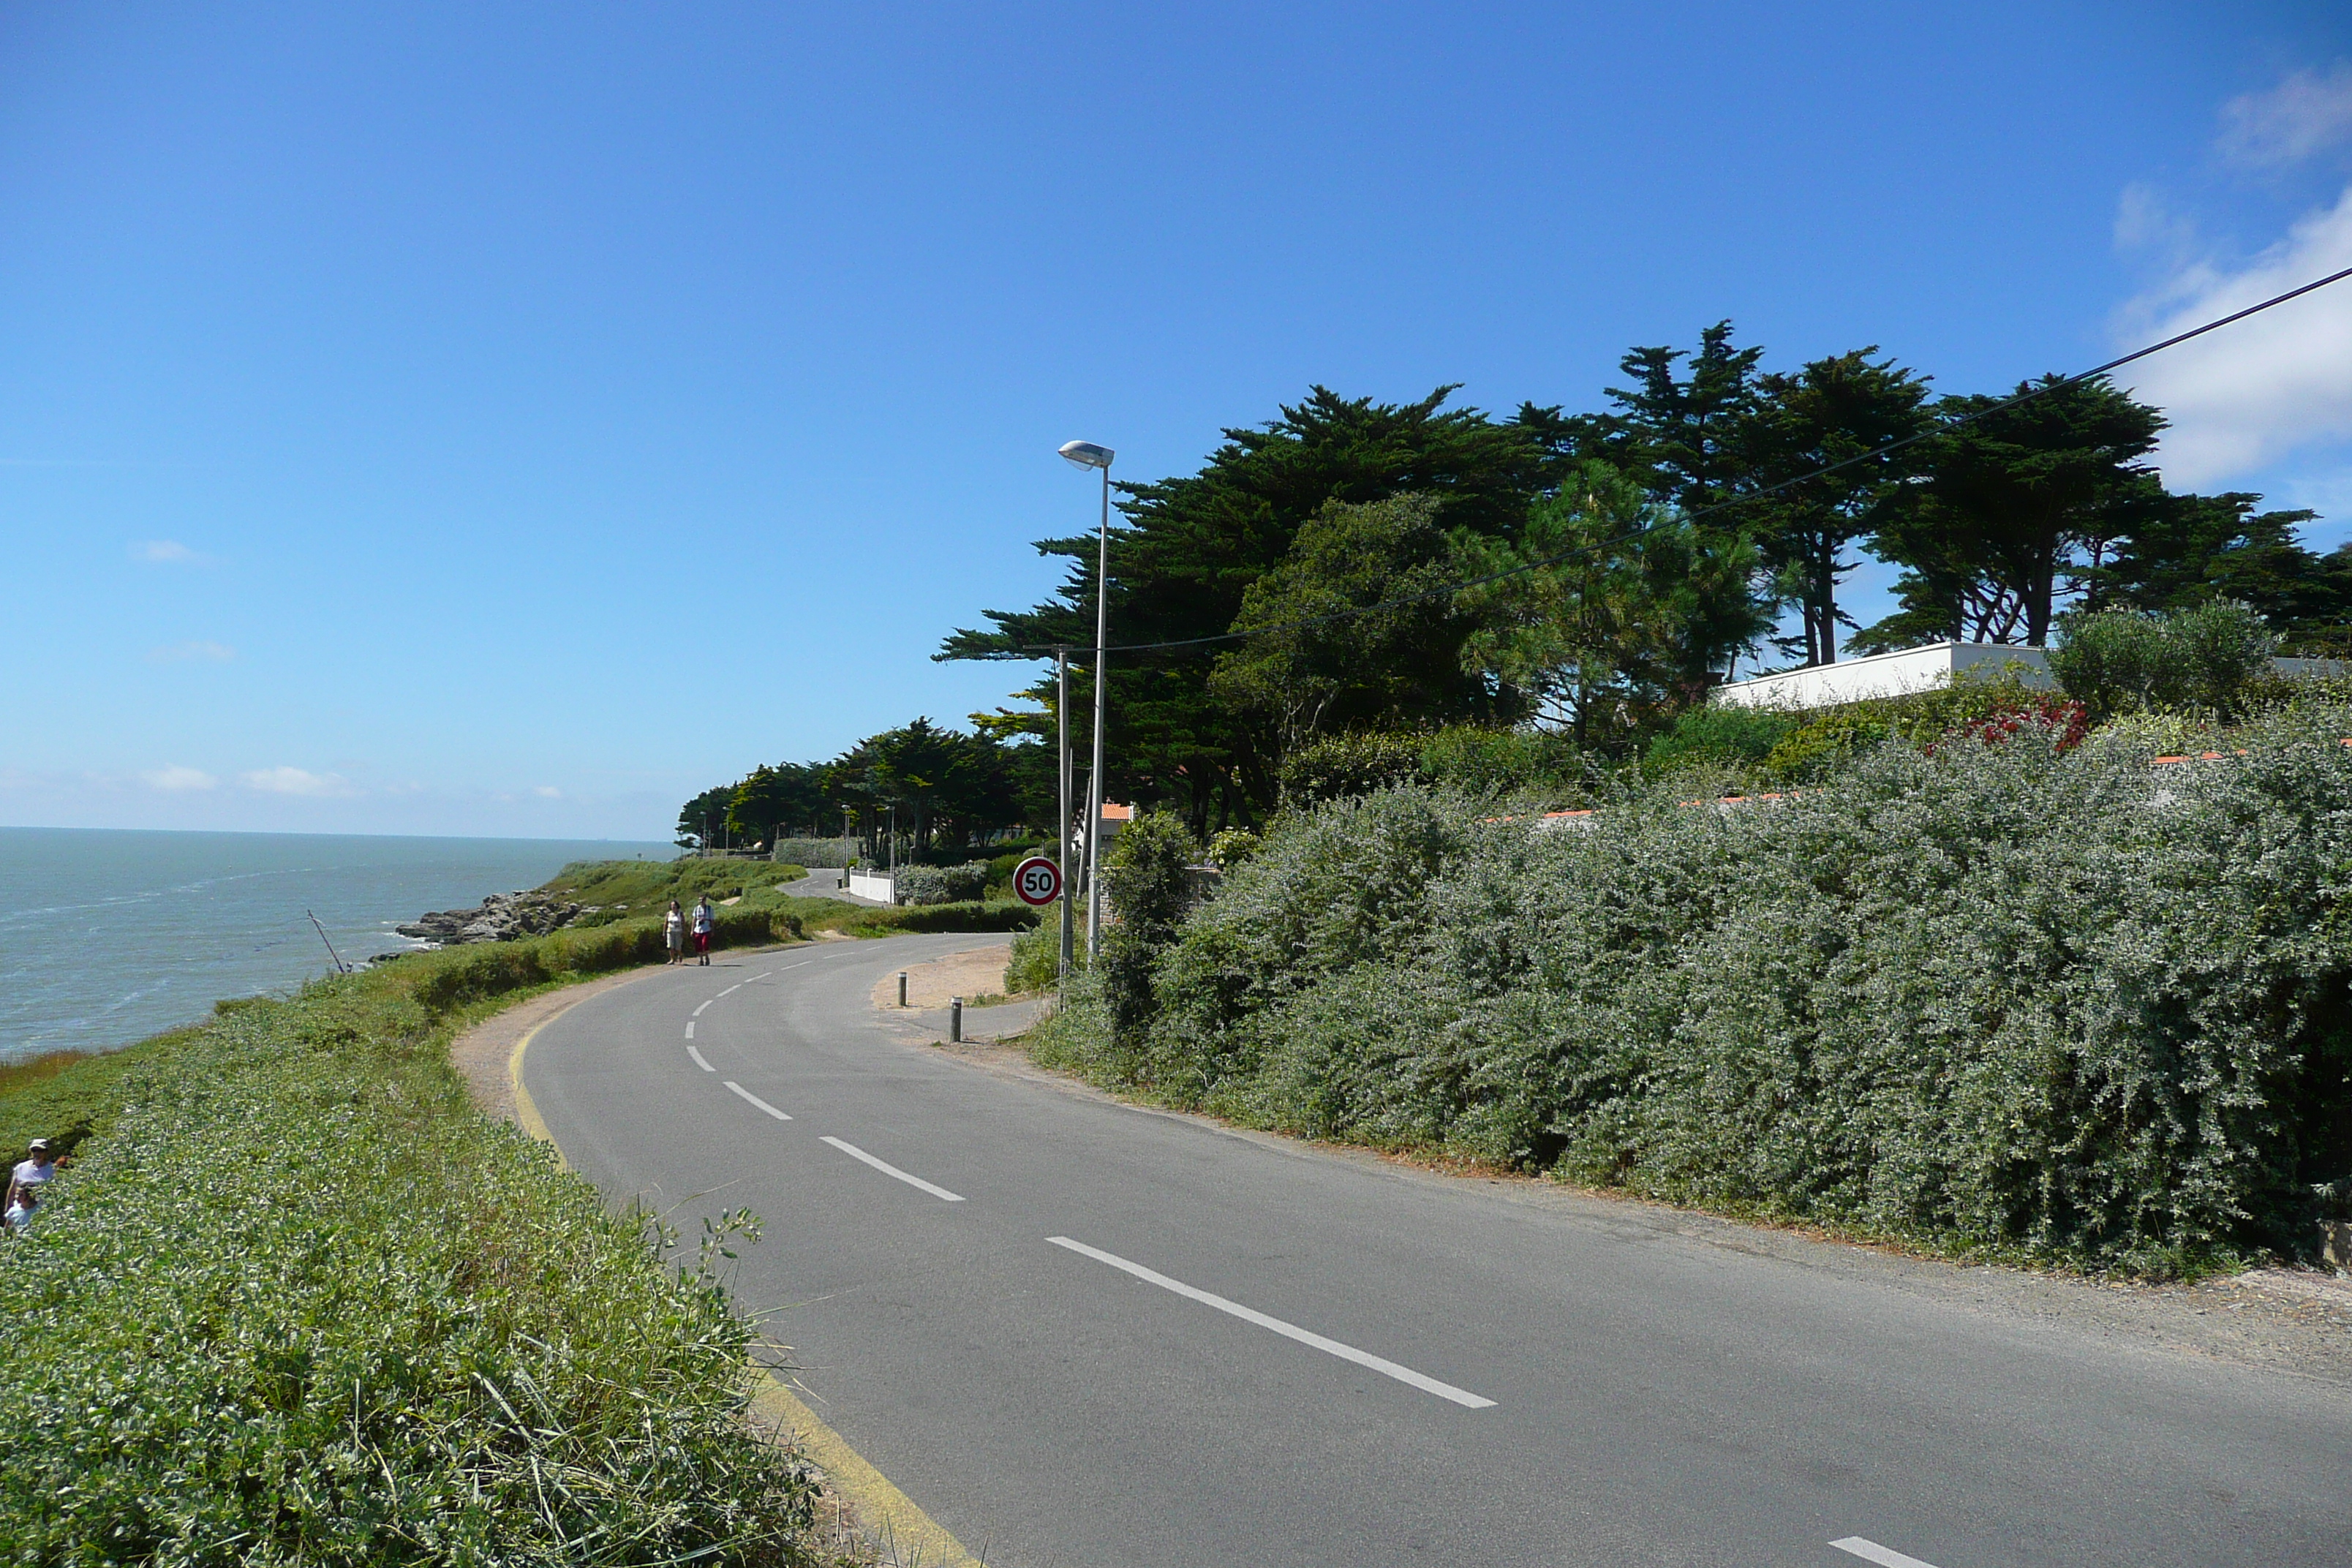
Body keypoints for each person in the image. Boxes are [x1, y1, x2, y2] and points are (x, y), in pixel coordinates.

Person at [6, 1139, 56, 1233]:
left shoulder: (53, 1169)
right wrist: (8, 1208)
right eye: (34, 1150)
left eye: (41, 1150)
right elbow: (12, 1190)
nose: (37, 1153)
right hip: (22, 1209)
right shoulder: (21, 1168)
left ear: (47, 1152)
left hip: (41, 1211)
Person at [692, 896, 715, 965]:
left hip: (706, 929)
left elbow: (712, 920)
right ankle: (701, 960)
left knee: (705, 944)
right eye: (699, 900)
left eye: (702, 900)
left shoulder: (709, 909)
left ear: (705, 900)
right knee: (698, 945)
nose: (701, 901)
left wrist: (713, 930)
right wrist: (692, 930)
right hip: (698, 929)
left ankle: (707, 957)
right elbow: (694, 919)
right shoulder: (696, 909)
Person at [663, 900, 686, 965]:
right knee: (670, 946)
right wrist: (664, 932)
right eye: (671, 905)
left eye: (674, 905)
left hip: (678, 932)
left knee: (677, 947)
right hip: (670, 931)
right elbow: (666, 923)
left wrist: (684, 931)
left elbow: (683, 923)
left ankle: (680, 955)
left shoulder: (680, 914)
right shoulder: (669, 914)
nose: (673, 906)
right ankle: (672, 959)